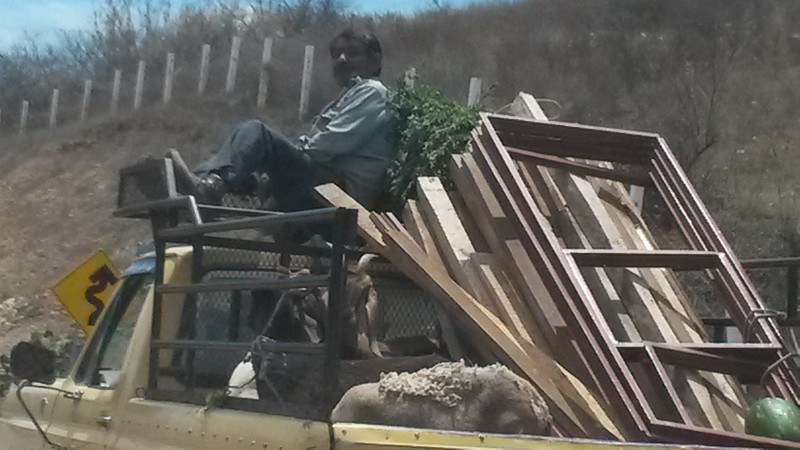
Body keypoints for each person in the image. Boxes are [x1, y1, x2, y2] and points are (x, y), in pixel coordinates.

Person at [169, 29, 396, 212]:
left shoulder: (373, 92)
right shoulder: (348, 96)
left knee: (257, 133)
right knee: (247, 147)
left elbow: (328, 145)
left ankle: (207, 190)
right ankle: (202, 187)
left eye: (352, 53)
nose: (341, 59)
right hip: (326, 186)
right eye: (336, 55)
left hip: (341, 194)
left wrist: (281, 156)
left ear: (375, 60)